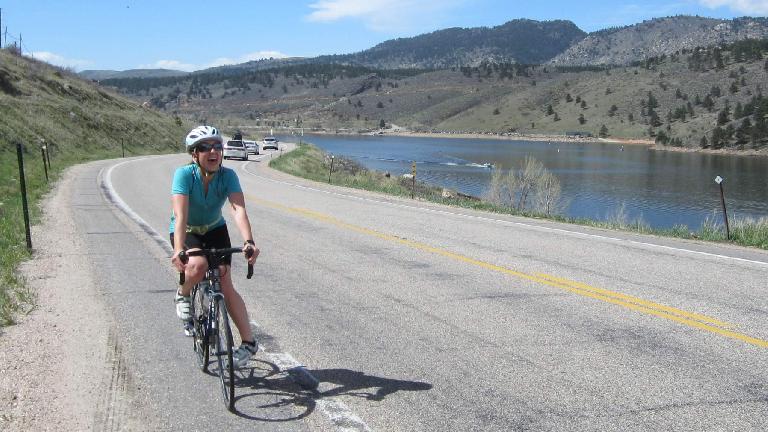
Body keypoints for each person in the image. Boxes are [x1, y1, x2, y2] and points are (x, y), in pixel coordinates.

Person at [169, 125, 259, 368]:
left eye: (217, 146)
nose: (213, 152)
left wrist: (249, 241)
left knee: (225, 279)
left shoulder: (228, 176)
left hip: (214, 228)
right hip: (187, 229)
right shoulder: (184, 175)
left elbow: (238, 209)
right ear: (194, 154)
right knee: (197, 267)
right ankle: (184, 293)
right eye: (205, 148)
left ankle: (249, 343)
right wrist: (179, 249)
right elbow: (180, 216)